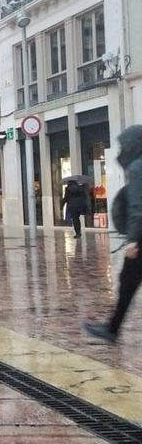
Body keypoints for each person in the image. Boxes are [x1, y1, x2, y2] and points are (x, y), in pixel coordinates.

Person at [84, 125, 142, 343]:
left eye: (124, 145)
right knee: (127, 281)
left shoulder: (137, 167)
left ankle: (112, 329)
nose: (121, 150)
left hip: (141, 237)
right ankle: (112, 328)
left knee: (127, 282)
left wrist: (134, 239)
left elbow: (138, 206)